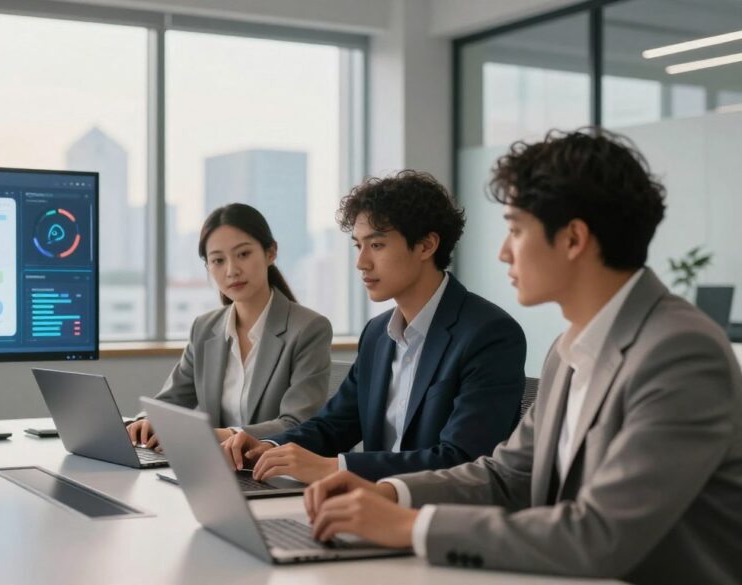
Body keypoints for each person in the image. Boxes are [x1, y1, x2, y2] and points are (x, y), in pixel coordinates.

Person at [304, 128, 742, 585]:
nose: (503, 252)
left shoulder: (680, 352)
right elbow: (506, 475)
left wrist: (412, 526)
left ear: (573, 239)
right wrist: (390, 493)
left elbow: (601, 535)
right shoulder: (569, 349)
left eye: (515, 229)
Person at [223, 171, 527, 483]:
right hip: (368, 505)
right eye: (358, 246)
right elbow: (333, 426)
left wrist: (335, 468)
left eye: (377, 245)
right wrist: (266, 446)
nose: (362, 262)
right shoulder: (377, 334)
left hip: (437, 516)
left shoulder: (489, 334)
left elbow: (462, 459)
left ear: (426, 245)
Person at [127, 203, 332, 448]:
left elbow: (297, 423)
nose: (232, 270)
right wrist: (148, 420)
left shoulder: (309, 329)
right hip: (216, 469)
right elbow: (171, 400)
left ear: (271, 253)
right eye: (218, 260)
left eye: (243, 254)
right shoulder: (204, 328)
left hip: (275, 472)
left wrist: (221, 436)